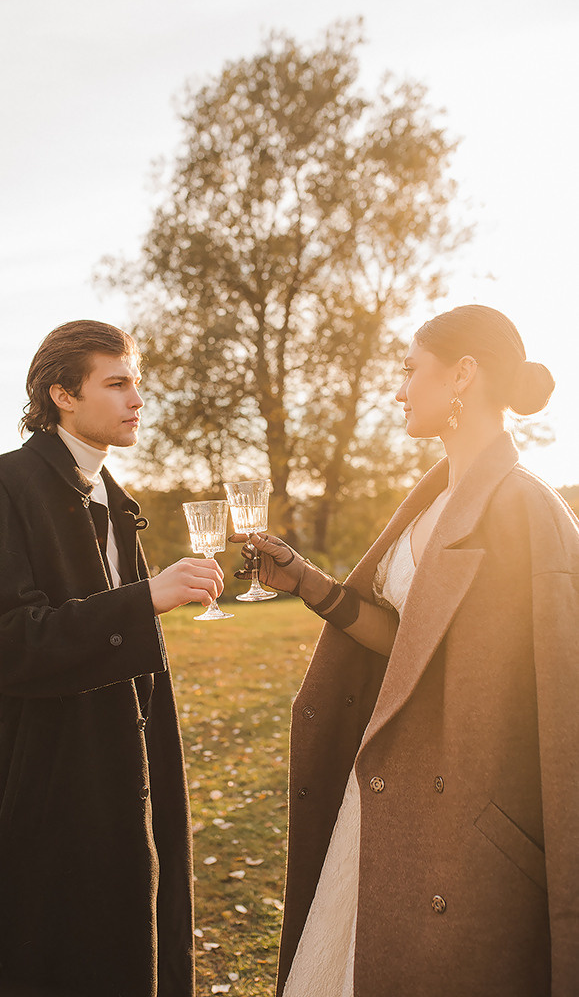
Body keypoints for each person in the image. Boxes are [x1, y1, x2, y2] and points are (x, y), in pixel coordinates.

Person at [232, 305, 579, 997]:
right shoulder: (428, 500)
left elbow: (561, 697)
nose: (397, 390)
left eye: (408, 370)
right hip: (386, 796)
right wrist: (307, 580)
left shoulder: (528, 509)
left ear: (462, 375)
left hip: (469, 828)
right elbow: (407, 643)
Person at [0, 320, 224, 997]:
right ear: (61, 393)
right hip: (37, 780)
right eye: (116, 383)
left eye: (136, 383)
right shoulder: (3, 484)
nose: (136, 399)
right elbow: (4, 642)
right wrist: (145, 598)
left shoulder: (114, 498)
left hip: (117, 770)